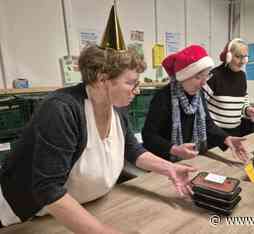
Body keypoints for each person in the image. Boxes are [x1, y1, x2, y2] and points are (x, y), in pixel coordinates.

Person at [0, 45, 196, 234]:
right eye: (131, 83)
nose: (137, 90)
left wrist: (169, 169)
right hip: (28, 217)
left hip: (80, 210)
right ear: (102, 80)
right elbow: (47, 188)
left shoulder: (116, 107)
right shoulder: (61, 110)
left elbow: (132, 149)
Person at [142, 44, 248, 163]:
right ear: (183, 77)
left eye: (206, 76)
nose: (203, 83)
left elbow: (208, 124)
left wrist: (226, 138)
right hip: (165, 161)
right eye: (198, 77)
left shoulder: (198, 95)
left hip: (191, 159)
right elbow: (149, 136)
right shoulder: (163, 97)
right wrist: (174, 149)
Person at [202, 38, 254, 137]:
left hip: (236, 132)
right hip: (215, 133)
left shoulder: (242, 76)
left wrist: (247, 110)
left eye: (245, 57)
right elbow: (200, 104)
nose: (242, 61)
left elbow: (243, 102)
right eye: (238, 57)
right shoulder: (215, 75)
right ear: (228, 56)